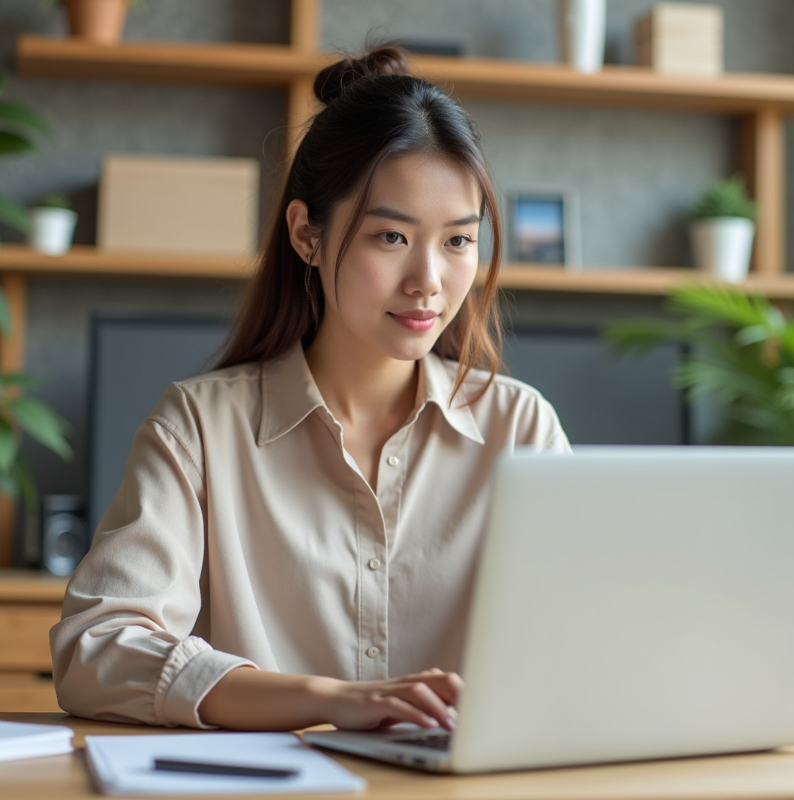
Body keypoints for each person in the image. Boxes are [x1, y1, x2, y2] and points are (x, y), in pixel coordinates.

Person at [50, 45, 570, 733]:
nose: (428, 282)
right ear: (306, 234)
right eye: (391, 237)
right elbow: (96, 650)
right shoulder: (200, 426)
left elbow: (589, 641)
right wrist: (329, 700)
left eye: (457, 242)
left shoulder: (521, 428)